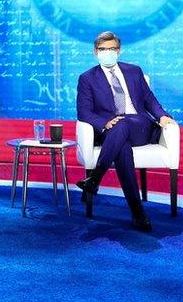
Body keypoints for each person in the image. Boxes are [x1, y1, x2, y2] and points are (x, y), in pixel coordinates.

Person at [75, 31, 176, 232]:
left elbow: (149, 100)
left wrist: (162, 115)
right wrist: (105, 124)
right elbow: (84, 112)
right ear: (95, 52)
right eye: (103, 50)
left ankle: (95, 179)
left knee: (123, 124)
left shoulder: (134, 71)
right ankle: (138, 213)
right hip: (112, 131)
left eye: (111, 49)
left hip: (139, 125)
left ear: (119, 51)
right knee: (122, 147)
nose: (107, 53)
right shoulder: (87, 78)